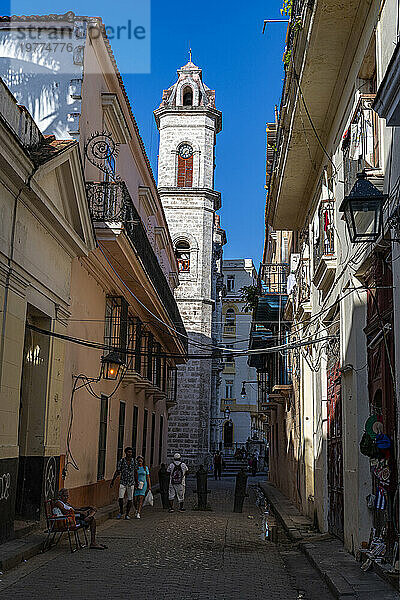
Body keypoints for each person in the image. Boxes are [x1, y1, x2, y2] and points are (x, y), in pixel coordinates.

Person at [110, 446, 135, 520]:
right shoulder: (122, 461)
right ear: (125, 453)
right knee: (121, 498)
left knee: (130, 499)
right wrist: (113, 481)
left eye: (131, 452)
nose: (130, 453)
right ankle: (121, 511)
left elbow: (135, 472)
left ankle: (127, 514)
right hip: (123, 482)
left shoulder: (134, 461)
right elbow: (117, 471)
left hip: (131, 482)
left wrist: (136, 482)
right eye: (128, 452)